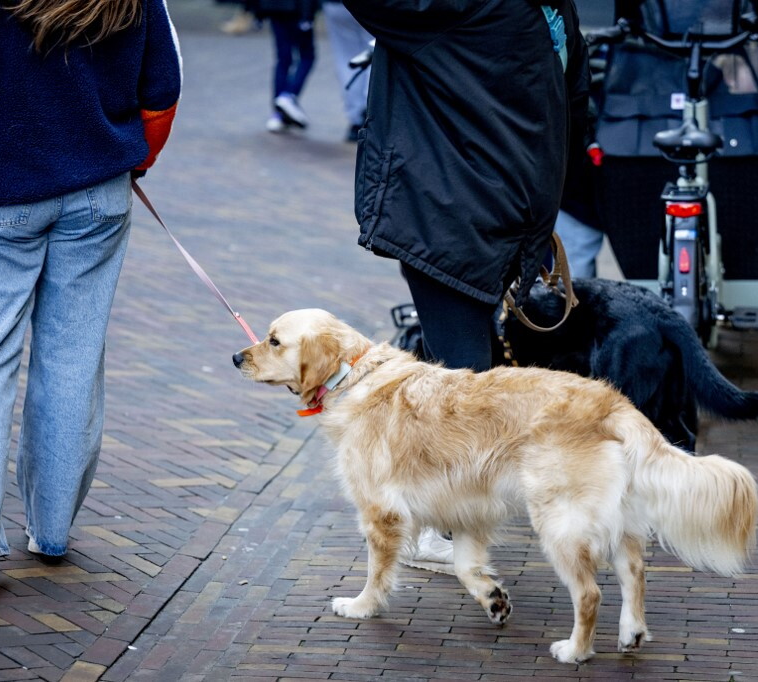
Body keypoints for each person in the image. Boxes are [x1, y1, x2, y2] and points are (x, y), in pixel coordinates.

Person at [341, 0, 589, 566]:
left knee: (458, 374)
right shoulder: (554, 6)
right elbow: (577, 96)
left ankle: (457, 525)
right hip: (513, 196)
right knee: (467, 354)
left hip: (453, 202)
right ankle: (459, 510)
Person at [0, 0, 181, 584]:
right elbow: (163, 89)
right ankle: (52, 528)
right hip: (98, 189)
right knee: (73, 355)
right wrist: (134, 162)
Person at [252, 0, 320, 133]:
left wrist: (257, 12)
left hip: (275, 8)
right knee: (307, 56)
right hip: (297, 9)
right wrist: (308, 15)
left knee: (283, 59)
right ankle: (288, 96)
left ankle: (279, 114)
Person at [322, 0, 372, 142]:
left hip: (335, 5)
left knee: (346, 58)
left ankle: (356, 116)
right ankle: (368, 110)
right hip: (372, 6)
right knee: (373, 52)